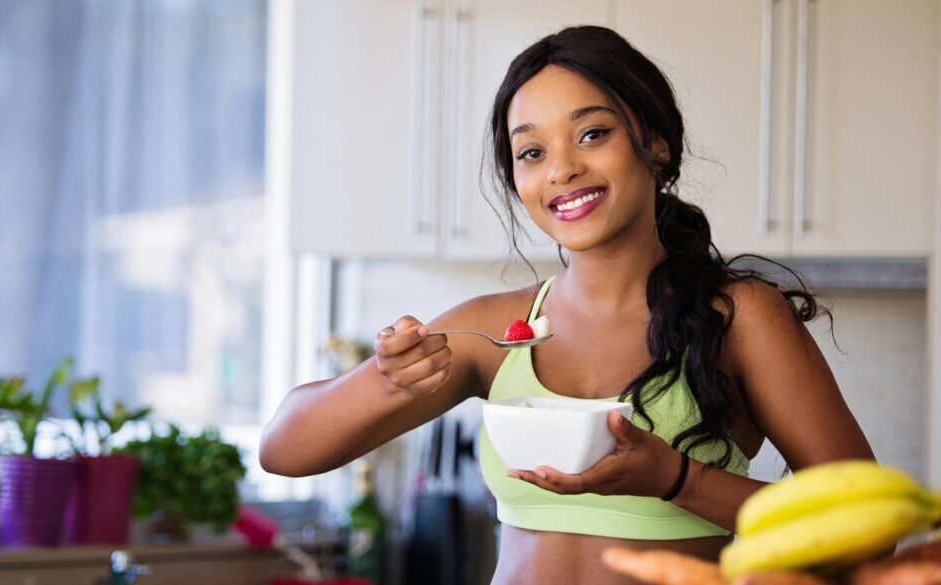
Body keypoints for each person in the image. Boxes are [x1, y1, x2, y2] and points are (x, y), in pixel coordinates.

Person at [259, 25, 874, 585]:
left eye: (592, 134)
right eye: (532, 152)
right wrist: (387, 380)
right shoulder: (493, 331)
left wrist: (677, 480)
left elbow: (865, 532)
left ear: (654, 144)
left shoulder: (737, 318)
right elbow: (284, 450)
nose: (562, 169)